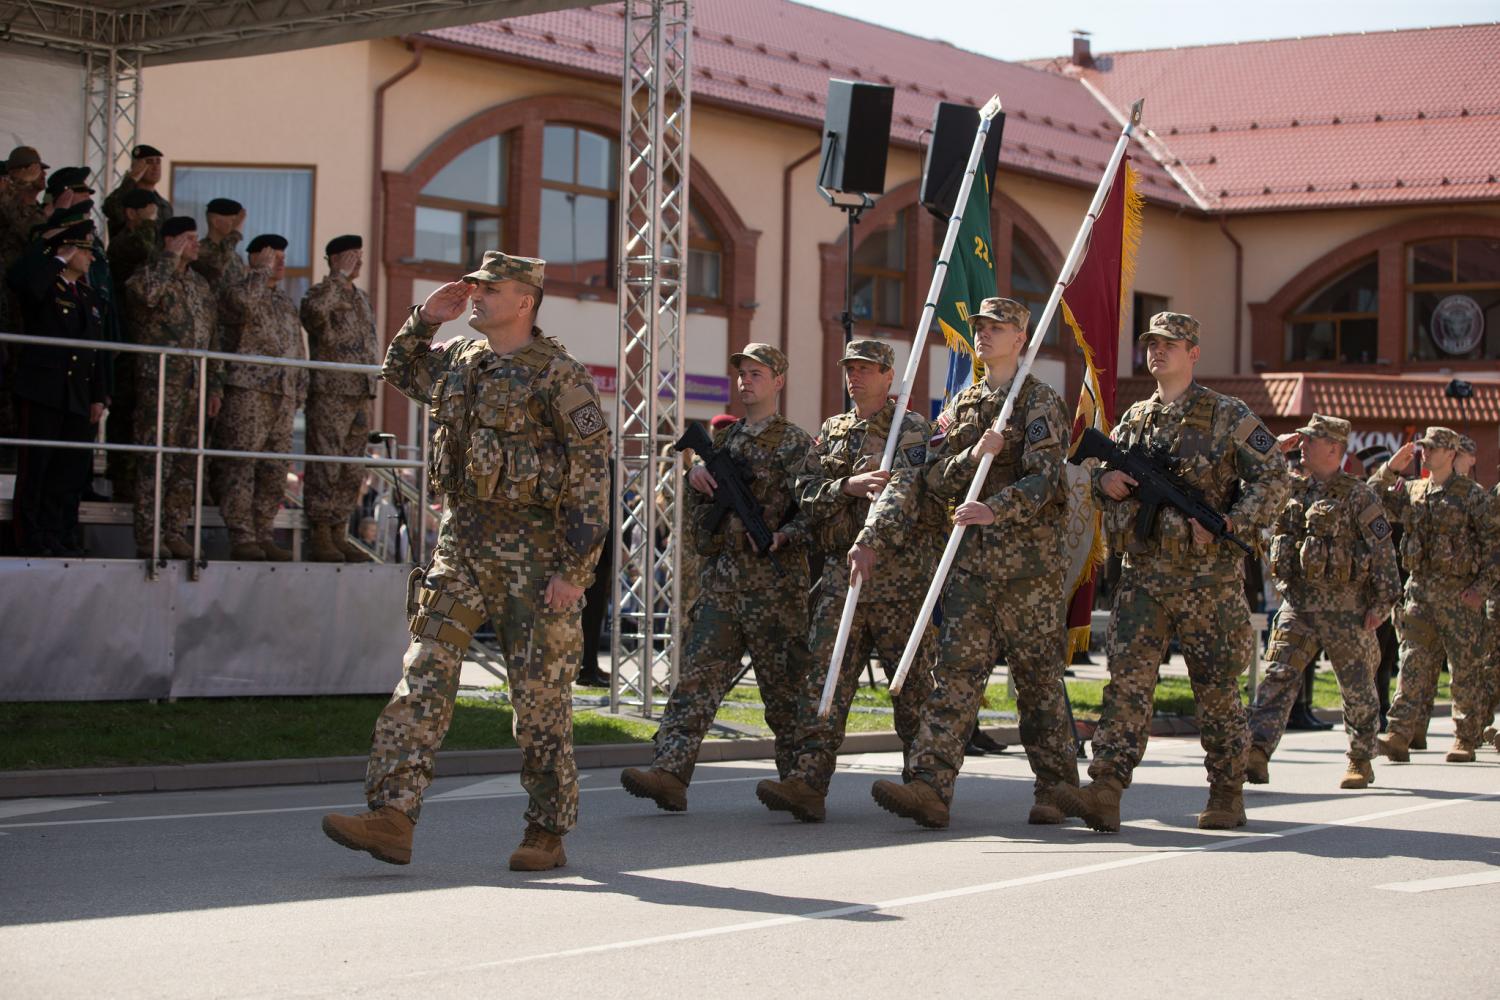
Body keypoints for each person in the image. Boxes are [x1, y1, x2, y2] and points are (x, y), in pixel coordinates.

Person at [322, 251, 610, 871]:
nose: (475, 296)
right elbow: (397, 368)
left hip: (535, 561)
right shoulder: (459, 359)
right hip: (461, 547)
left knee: (539, 705)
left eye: (489, 289)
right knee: (423, 672)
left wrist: (574, 571)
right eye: (474, 287)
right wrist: (425, 318)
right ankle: (393, 816)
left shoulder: (559, 376)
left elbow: (591, 479)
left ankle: (546, 829)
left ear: (525, 300)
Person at [1057, 312, 1290, 832]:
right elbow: (1096, 475)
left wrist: (1234, 521)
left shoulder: (1226, 413)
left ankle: (1227, 792)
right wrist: (1108, 480)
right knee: (1127, 683)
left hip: (1207, 580)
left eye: (1169, 344)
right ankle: (1107, 788)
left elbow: (1274, 474)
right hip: (1143, 575)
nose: (1157, 351)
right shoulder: (1137, 417)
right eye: (1152, 343)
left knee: (1214, 687)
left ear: (1193, 352)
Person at [863, 299, 1077, 829]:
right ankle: (930, 788)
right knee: (954, 679)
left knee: (1038, 683)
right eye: (979, 327)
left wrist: (994, 507)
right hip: (969, 568)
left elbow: (1046, 479)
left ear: (1020, 337)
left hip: (1028, 570)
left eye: (995, 328)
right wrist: (974, 456)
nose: (982, 335)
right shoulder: (963, 404)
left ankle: (1057, 789)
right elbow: (935, 477)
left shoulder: (1038, 401)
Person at [619, 343, 815, 813]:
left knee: (784, 691)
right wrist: (696, 481)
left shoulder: (795, 442)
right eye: (743, 373)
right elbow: (693, 520)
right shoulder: (723, 443)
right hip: (722, 585)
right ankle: (669, 773)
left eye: (757, 373)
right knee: (696, 681)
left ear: (779, 381)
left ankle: (802, 786)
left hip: (774, 589)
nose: (747, 381)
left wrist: (784, 536)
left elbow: (817, 509)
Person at [751, 339, 936, 823]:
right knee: (824, 678)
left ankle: (926, 787)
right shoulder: (832, 430)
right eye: (849, 368)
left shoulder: (910, 428)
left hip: (898, 577)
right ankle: (808, 783)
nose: (855, 376)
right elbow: (805, 492)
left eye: (866, 369)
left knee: (911, 684)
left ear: (888, 375)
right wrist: (846, 487)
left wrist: (872, 535)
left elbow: (907, 493)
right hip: (840, 572)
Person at [1245, 415, 1398, 789]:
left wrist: (1382, 605)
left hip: (1347, 609)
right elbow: (1251, 488)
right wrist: (1271, 455)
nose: (1304, 445)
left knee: (1357, 684)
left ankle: (1361, 758)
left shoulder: (1359, 495)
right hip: (1298, 604)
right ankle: (1256, 752)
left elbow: (1382, 554)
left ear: (1333, 448)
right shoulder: (1292, 487)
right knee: (1278, 676)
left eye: (1311, 440)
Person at [1369, 428, 1500, 764]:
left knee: (1464, 668)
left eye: (1433, 447)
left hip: (1459, 594)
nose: (1425, 452)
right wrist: (1391, 469)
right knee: (1412, 662)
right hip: (1419, 591)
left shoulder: (1472, 496)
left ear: (1451, 452)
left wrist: (1481, 589)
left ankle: (1464, 737)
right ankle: (1400, 733)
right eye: (1424, 447)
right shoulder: (1415, 490)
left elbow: (1494, 547)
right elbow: (1370, 498)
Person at [5, 221, 110, 555]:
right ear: (70, 251)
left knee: (69, 471)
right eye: (86, 251)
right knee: (37, 468)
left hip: (78, 395)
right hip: (44, 390)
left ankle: (60, 534)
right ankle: (31, 537)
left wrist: (98, 395)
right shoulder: (46, 286)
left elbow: (96, 349)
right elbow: (22, 284)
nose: (92, 259)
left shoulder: (90, 297)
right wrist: (56, 259)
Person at [124, 216, 223, 559]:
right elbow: (145, 296)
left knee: (186, 465)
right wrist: (168, 258)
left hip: (196, 386)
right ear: (170, 241)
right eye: (188, 238)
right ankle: (149, 536)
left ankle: (174, 531)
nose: (196, 244)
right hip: (162, 386)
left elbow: (212, 339)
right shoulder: (149, 275)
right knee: (156, 461)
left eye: (196, 238)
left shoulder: (199, 285)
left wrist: (215, 386)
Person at [211, 233, 306, 561]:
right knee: (242, 464)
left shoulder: (283, 301)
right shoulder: (239, 289)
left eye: (281, 257)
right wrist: (259, 273)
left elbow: (297, 345)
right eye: (271, 256)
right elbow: (242, 306)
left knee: (275, 468)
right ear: (254, 259)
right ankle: (242, 535)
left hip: (282, 394)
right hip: (248, 391)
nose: (279, 262)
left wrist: (301, 384)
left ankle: (264, 532)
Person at [299, 234, 378, 562]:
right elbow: (313, 315)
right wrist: (338, 278)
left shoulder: (360, 297)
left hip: (360, 391)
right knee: (327, 463)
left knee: (351, 466)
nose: (358, 262)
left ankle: (339, 530)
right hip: (331, 391)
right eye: (351, 257)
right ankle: (319, 532)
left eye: (360, 256)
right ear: (335, 259)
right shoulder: (322, 291)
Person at [102, 144, 171, 240]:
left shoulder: (164, 205)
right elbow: (110, 209)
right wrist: (131, 179)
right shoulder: (124, 198)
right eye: (149, 162)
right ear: (136, 166)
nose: (156, 167)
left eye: (158, 162)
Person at [192, 199, 247, 293]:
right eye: (234, 221)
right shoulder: (198, 251)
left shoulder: (236, 257)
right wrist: (234, 235)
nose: (239, 227)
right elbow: (217, 268)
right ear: (216, 222)